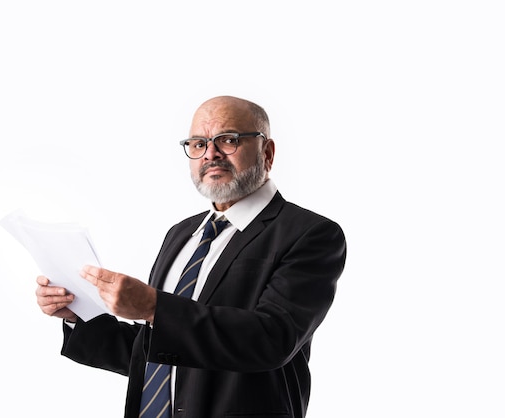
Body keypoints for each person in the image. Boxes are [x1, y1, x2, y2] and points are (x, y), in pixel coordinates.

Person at [36, 95, 347, 418]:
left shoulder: (310, 233)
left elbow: (271, 339)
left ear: (266, 152)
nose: (211, 154)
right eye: (198, 144)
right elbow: (159, 349)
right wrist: (78, 315)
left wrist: (153, 307)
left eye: (228, 140)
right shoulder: (181, 234)